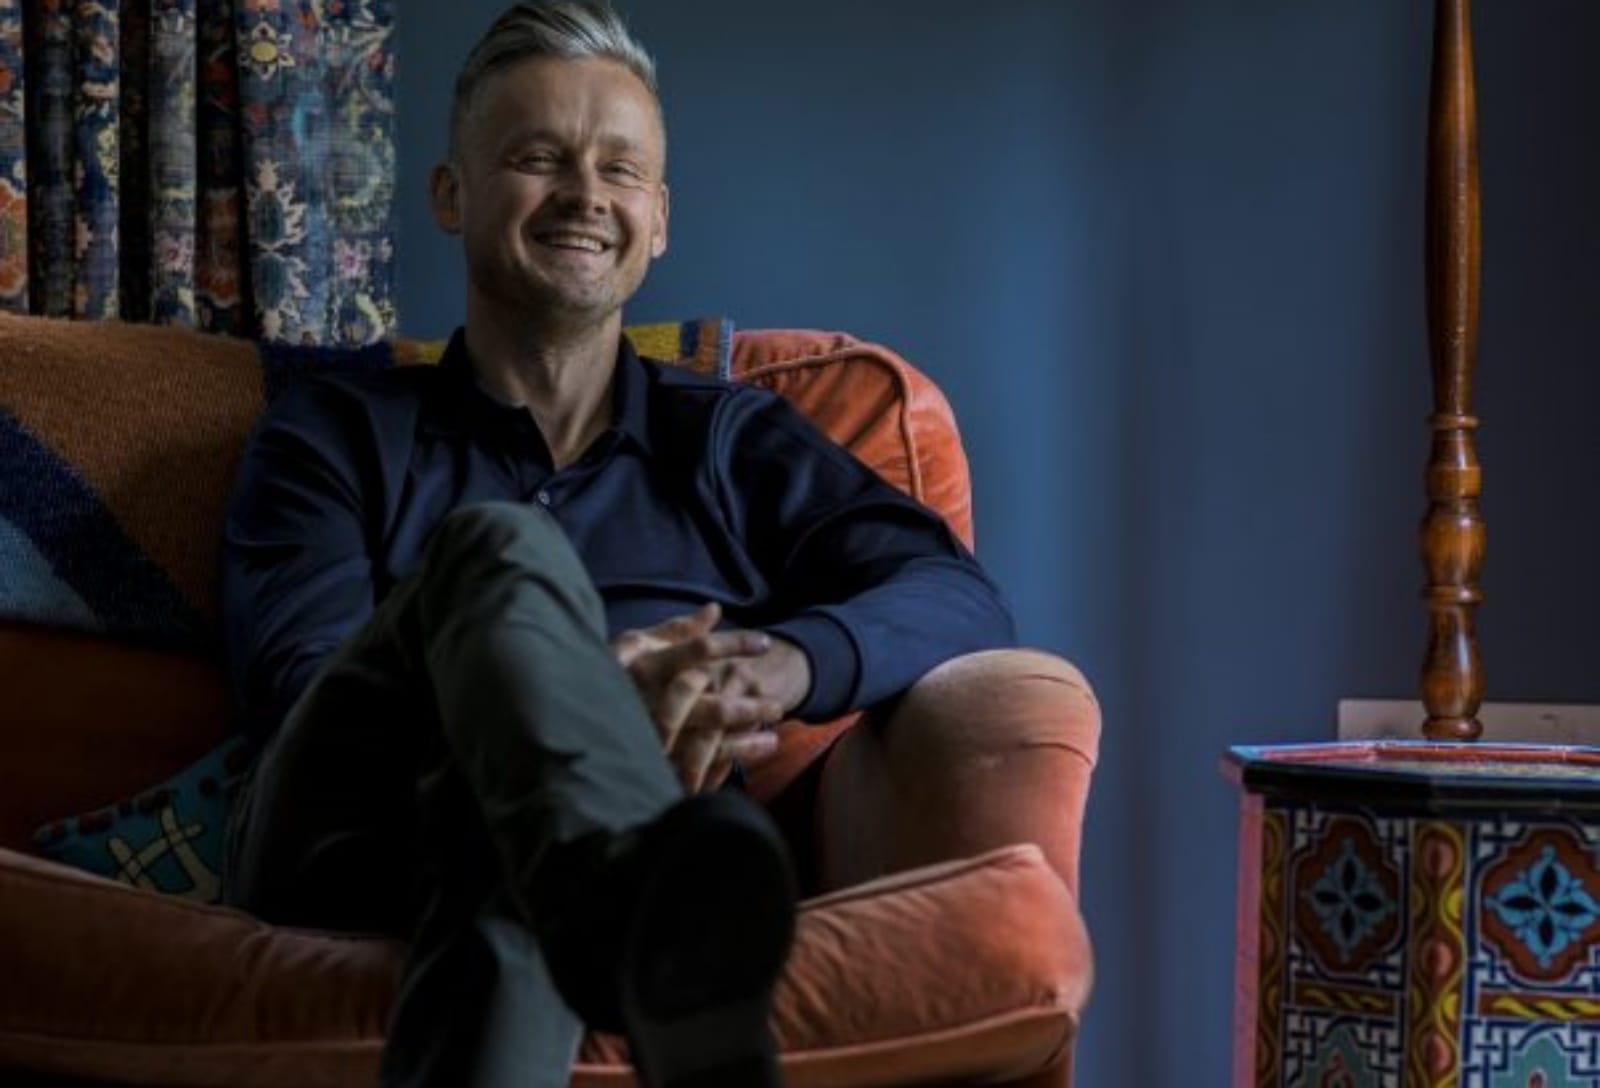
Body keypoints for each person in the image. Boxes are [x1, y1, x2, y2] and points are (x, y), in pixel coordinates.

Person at [219, 2, 1017, 1086]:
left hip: (563, 855)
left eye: (620, 169)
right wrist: (588, 706)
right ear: (451, 194)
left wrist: (776, 665)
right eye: (538, 158)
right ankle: (629, 899)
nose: (585, 194)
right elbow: (301, 690)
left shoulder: (733, 443)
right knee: (493, 549)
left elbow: (955, 593)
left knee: (501, 855)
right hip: (343, 832)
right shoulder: (333, 434)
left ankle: (605, 893)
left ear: (660, 217)